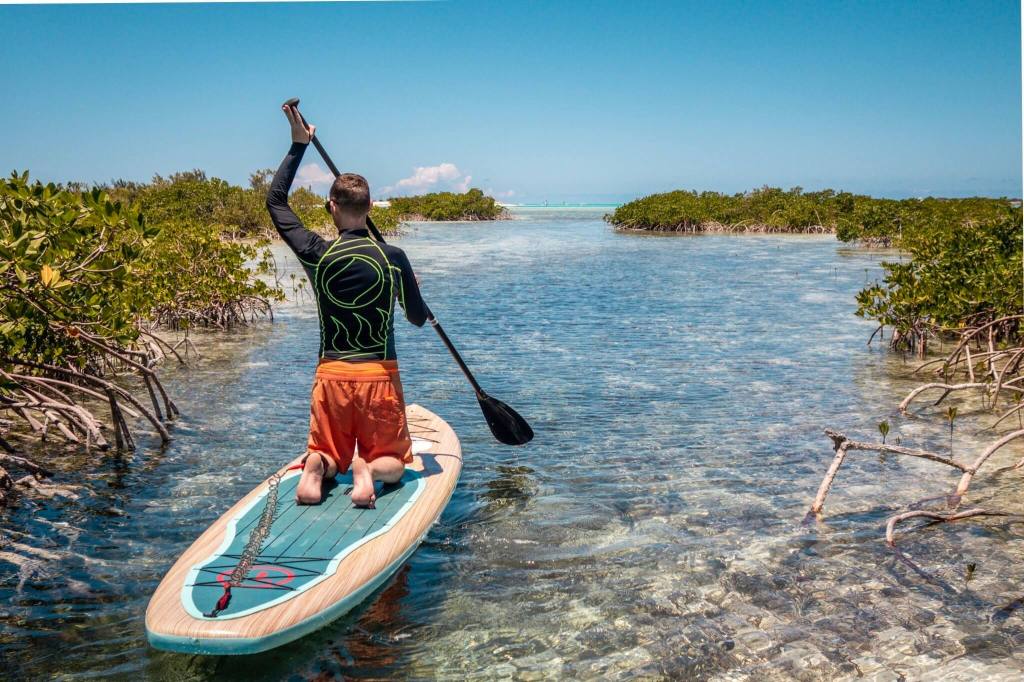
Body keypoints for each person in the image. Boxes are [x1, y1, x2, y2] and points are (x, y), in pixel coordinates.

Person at [266, 103, 428, 507]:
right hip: (378, 377)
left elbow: (276, 203)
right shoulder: (393, 258)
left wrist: (298, 146)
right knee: (394, 463)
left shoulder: (316, 253)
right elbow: (417, 319)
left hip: (332, 376)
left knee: (326, 452)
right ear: (370, 209)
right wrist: (411, 290)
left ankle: (317, 467)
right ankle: (368, 470)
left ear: (331, 207)